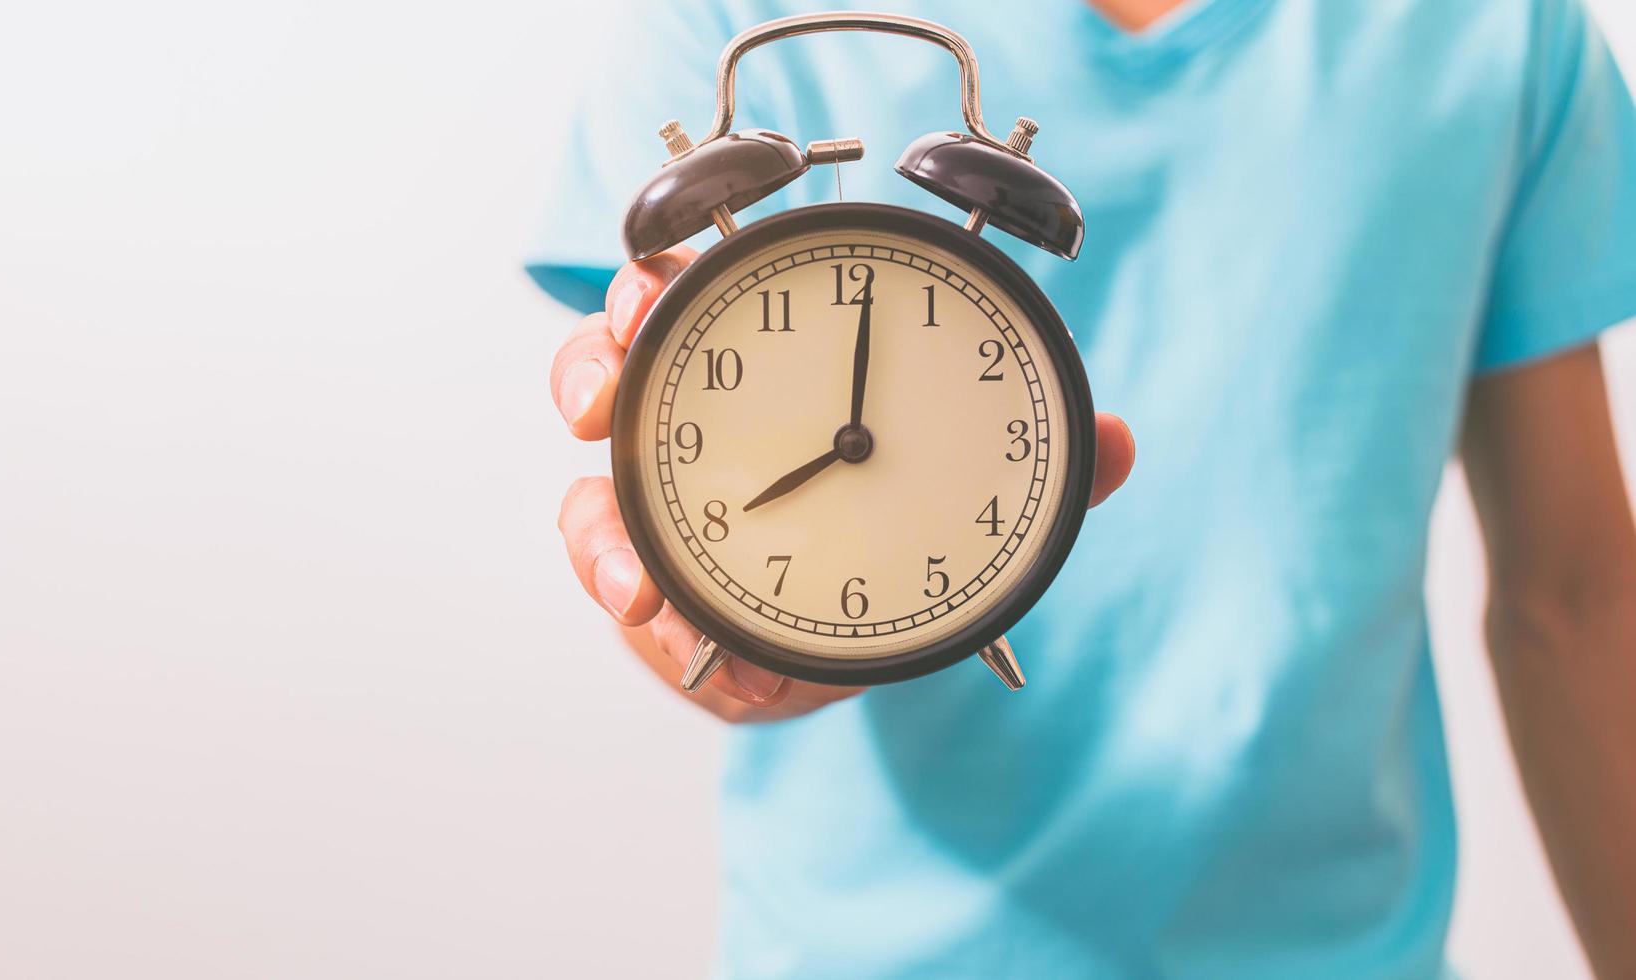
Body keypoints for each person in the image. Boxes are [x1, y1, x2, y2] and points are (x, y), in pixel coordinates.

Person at [529, 0, 1636, 975]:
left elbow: (1575, 598)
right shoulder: (722, 12)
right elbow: (656, 506)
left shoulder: (1501, 27)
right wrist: (721, 627)